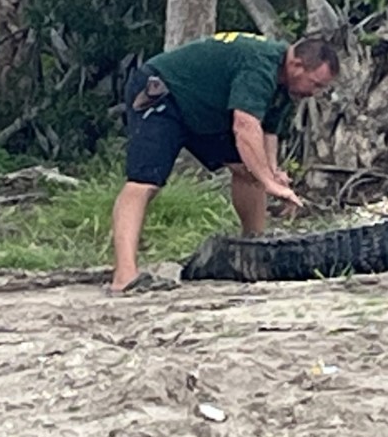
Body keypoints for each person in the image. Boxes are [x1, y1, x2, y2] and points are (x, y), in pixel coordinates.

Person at [109, 32, 340, 294]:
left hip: (205, 109)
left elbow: (268, 132)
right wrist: (268, 181)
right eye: (316, 84)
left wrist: (272, 173)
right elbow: (244, 125)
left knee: (249, 171)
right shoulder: (260, 63)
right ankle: (124, 276)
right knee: (145, 182)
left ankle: (254, 250)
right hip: (162, 92)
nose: (316, 93)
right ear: (296, 65)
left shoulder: (286, 86)